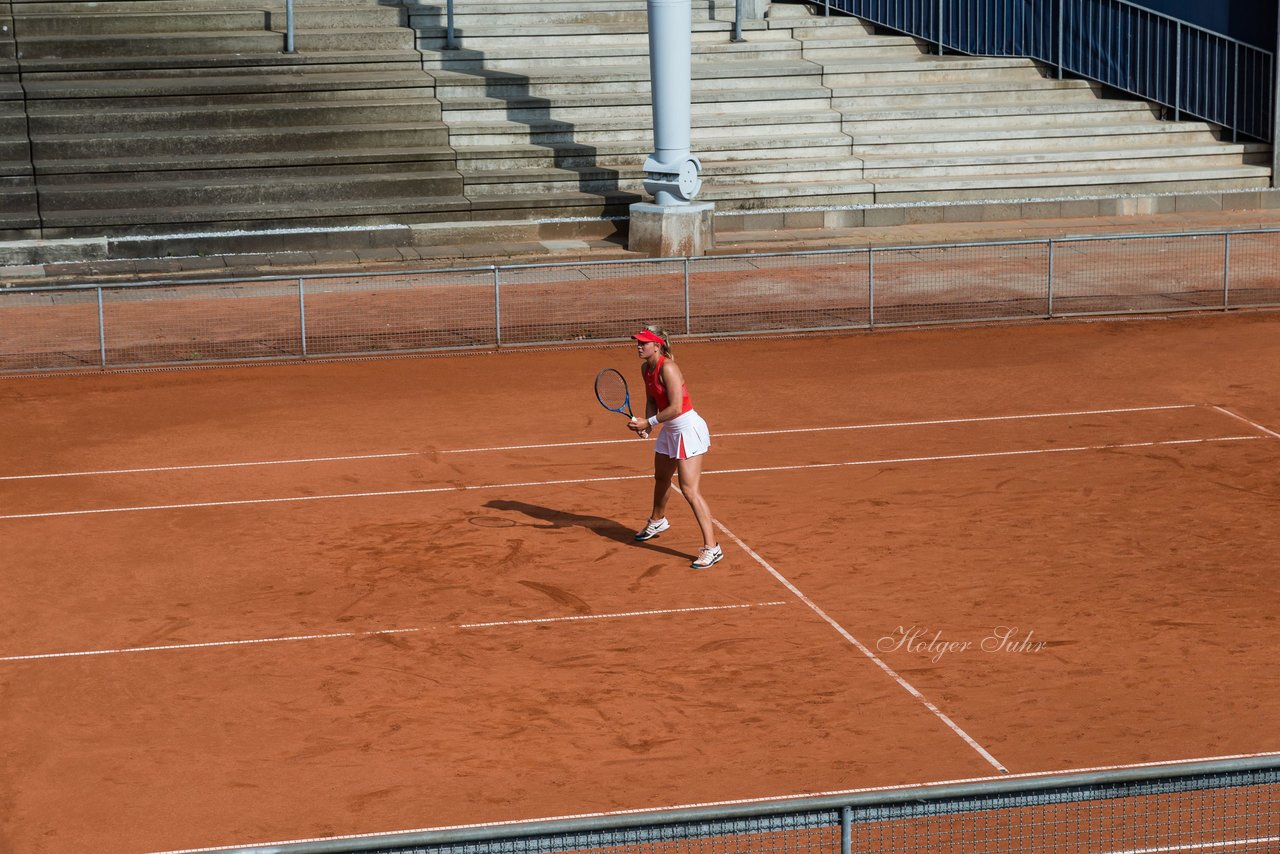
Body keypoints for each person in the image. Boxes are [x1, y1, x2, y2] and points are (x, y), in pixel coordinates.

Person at [626, 324, 723, 569]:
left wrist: (648, 422)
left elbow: (676, 407)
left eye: (643, 343)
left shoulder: (668, 367)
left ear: (656, 345)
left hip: (687, 429)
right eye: (638, 342)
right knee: (661, 477)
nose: (638, 346)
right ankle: (657, 520)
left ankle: (712, 548)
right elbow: (652, 399)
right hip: (670, 428)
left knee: (689, 489)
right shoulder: (645, 368)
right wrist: (649, 426)